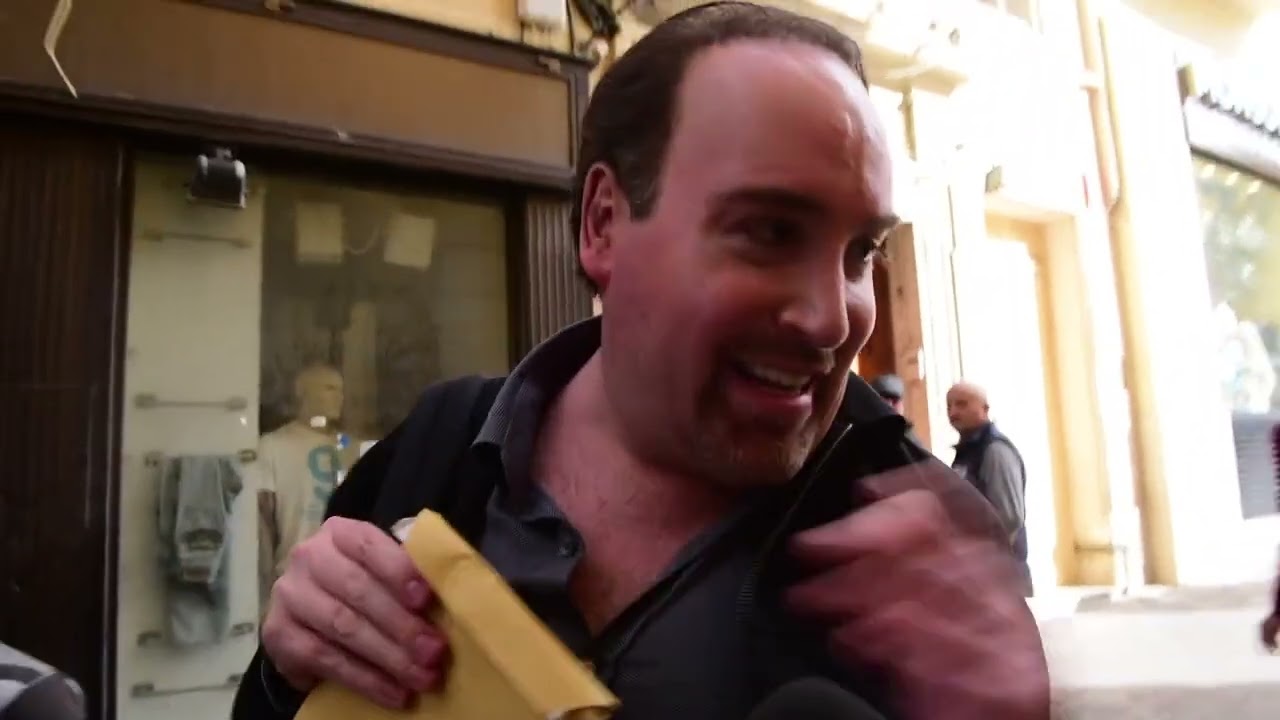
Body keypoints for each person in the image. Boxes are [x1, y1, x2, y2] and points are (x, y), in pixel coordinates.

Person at [232, 4, 1049, 719]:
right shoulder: (441, 447)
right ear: (604, 224)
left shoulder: (930, 551)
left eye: (861, 251)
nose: (834, 320)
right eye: (770, 232)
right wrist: (285, 672)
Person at [946, 381, 1032, 596]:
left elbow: (1009, 517)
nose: (953, 412)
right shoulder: (968, 451)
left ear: (984, 408)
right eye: (949, 406)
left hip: (999, 577)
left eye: (962, 404)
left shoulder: (995, 451)